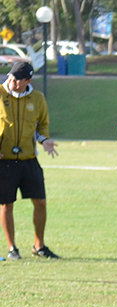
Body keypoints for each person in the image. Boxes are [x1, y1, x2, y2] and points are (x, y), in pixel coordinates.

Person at [0, 62, 60, 260]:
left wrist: (45, 140)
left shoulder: (38, 99)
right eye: (11, 77)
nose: (12, 81)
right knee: (7, 204)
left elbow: (42, 124)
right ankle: (12, 248)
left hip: (28, 159)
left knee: (40, 202)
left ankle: (39, 246)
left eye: (18, 79)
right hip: (5, 160)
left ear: (28, 81)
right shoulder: (0, 94)